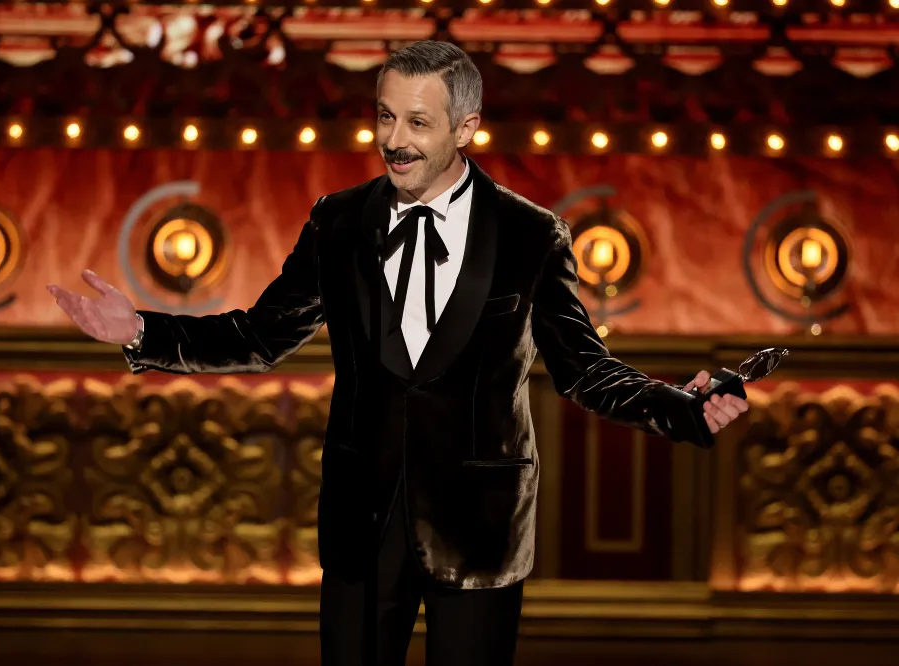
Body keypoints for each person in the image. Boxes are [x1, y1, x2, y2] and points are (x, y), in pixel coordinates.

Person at [48, 40, 748, 666]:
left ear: (466, 128)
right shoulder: (338, 221)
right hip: (363, 522)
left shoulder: (531, 234)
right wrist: (141, 331)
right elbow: (260, 336)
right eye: (385, 117)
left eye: (417, 122)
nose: (395, 140)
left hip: (479, 526)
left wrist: (680, 408)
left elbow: (584, 369)